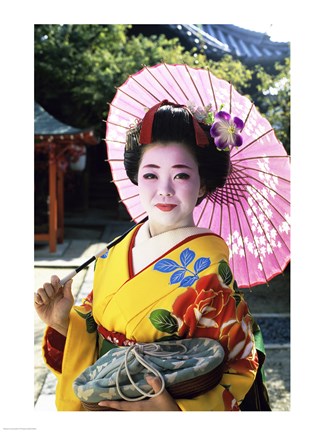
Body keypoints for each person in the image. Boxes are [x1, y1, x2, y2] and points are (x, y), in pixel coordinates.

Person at [34, 100, 265, 411]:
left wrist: (166, 411)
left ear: (201, 185)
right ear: (136, 178)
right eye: (151, 175)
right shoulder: (117, 250)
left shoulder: (211, 269)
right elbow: (95, 327)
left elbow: (239, 365)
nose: (164, 189)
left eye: (181, 175)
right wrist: (64, 322)